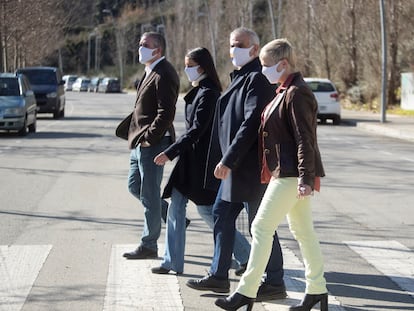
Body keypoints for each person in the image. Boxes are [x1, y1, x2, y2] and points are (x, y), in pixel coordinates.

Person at [215, 38, 328, 311]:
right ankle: (317, 290)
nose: (262, 70)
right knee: (303, 232)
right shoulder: (283, 90)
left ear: (283, 63)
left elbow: (305, 139)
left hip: (291, 174)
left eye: (266, 65)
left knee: (260, 227)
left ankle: (246, 291)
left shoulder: (296, 93)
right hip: (286, 172)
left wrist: (304, 178)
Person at [186, 27, 286, 301]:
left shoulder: (256, 78)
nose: (233, 50)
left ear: (255, 49)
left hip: (249, 167)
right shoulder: (241, 77)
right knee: (221, 214)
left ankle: (275, 281)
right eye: (231, 44)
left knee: (259, 224)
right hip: (235, 166)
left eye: (239, 45)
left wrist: (228, 159)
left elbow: (251, 123)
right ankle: (219, 276)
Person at [151, 47, 250, 275]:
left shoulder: (209, 93)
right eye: (185, 65)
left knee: (208, 212)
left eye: (190, 65)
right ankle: (171, 262)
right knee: (176, 209)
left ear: (202, 67)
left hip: (201, 164)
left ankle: (247, 256)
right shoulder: (201, 90)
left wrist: (170, 151)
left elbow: (197, 130)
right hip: (190, 162)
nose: (186, 69)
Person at [123, 32, 180, 260]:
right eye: (140, 44)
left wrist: (149, 138)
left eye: (145, 45)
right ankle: (172, 215)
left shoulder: (164, 73)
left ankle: (149, 245)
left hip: (152, 143)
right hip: (140, 142)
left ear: (157, 50)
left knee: (149, 194)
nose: (140, 48)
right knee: (134, 186)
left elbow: (166, 112)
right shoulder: (150, 70)